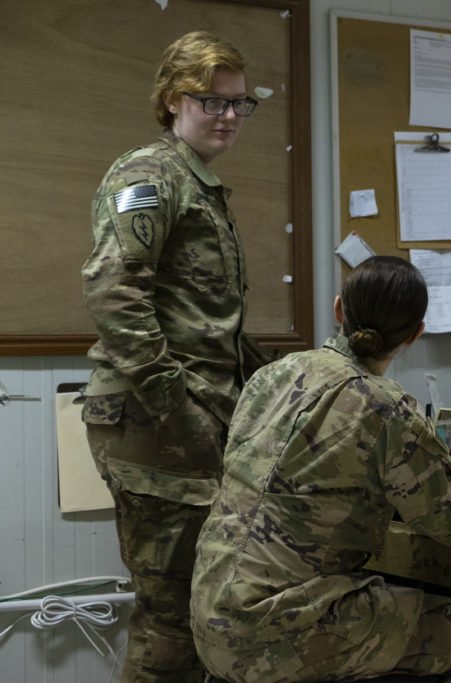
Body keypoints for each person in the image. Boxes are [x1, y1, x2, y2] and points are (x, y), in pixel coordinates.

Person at [190, 256, 451, 683]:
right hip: (279, 632)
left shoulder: (270, 376)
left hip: (210, 617)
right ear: (416, 334)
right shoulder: (386, 406)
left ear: (339, 309)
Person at [80, 31, 272, 683]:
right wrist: (177, 409)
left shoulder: (202, 187)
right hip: (154, 420)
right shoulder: (150, 177)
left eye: (239, 104)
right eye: (210, 101)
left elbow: (205, 319)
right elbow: (113, 291)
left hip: (190, 415)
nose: (227, 116)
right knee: (172, 614)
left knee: (200, 606)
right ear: (170, 101)